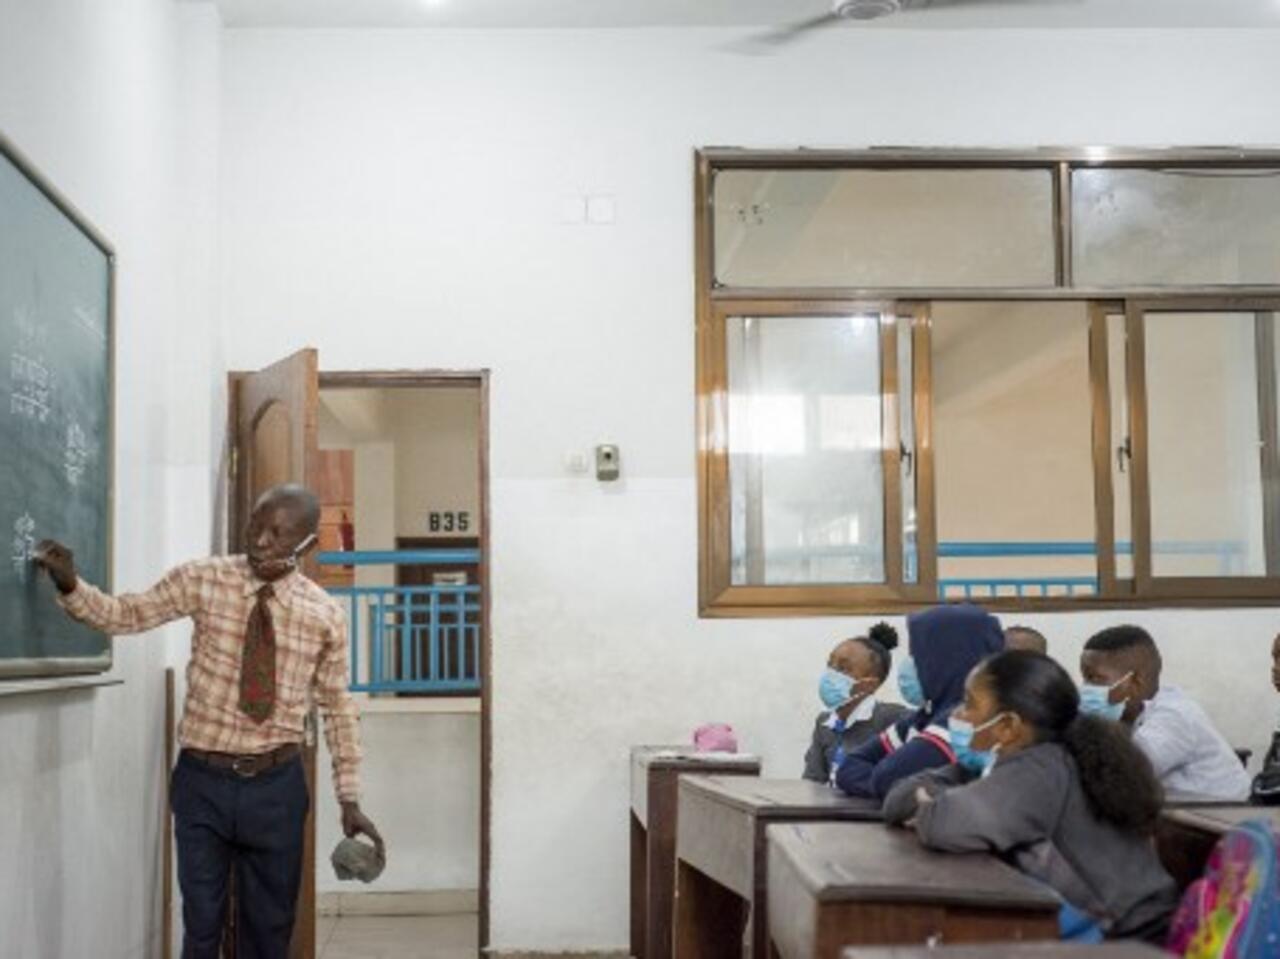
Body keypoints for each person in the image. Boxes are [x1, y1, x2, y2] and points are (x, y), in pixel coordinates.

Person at [35, 483, 384, 959]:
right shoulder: (204, 578)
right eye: (256, 525)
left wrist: (349, 798)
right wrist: (72, 586)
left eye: (278, 534)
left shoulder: (324, 614)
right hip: (203, 783)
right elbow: (128, 615)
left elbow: (338, 708)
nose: (260, 540)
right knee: (201, 926)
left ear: (306, 544)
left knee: (269, 931)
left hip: (276, 790)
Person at [883, 650, 1178, 943]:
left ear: (1008, 726)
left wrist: (933, 804)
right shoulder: (1000, 761)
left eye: (970, 703)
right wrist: (935, 800)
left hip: (1133, 940)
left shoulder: (1042, 767)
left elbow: (943, 824)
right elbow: (898, 798)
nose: (956, 714)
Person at [834, 604, 1003, 800]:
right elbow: (850, 766)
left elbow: (886, 778)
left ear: (946, 659)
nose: (911, 664)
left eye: (917, 655)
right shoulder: (924, 716)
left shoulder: (964, 722)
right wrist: (882, 783)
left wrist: (881, 782)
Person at [1079, 625, 1249, 802]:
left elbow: (1124, 774)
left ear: (1137, 681)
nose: (1085, 688)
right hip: (1180, 812)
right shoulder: (1123, 714)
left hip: (1228, 815)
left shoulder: (1174, 715)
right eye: (1084, 678)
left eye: (1095, 679)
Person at [803, 622, 911, 785]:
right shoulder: (824, 723)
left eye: (843, 668)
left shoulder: (894, 719)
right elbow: (811, 782)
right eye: (830, 664)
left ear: (871, 684)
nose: (831, 673)